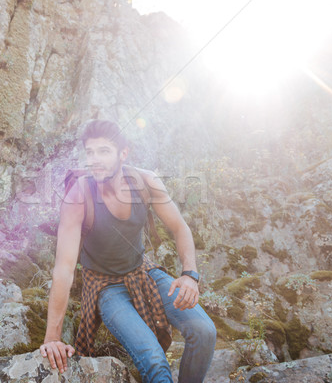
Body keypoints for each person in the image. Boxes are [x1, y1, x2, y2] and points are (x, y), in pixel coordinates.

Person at [39, 119, 216, 382]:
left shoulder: (146, 182)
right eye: (90, 152)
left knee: (204, 331)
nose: (95, 159)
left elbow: (180, 227)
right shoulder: (78, 195)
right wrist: (52, 337)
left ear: (123, 153)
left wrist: (189, 274)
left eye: (104, 151)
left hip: (143, 272)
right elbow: (64, 269)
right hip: (106, 287)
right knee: (155, 363)